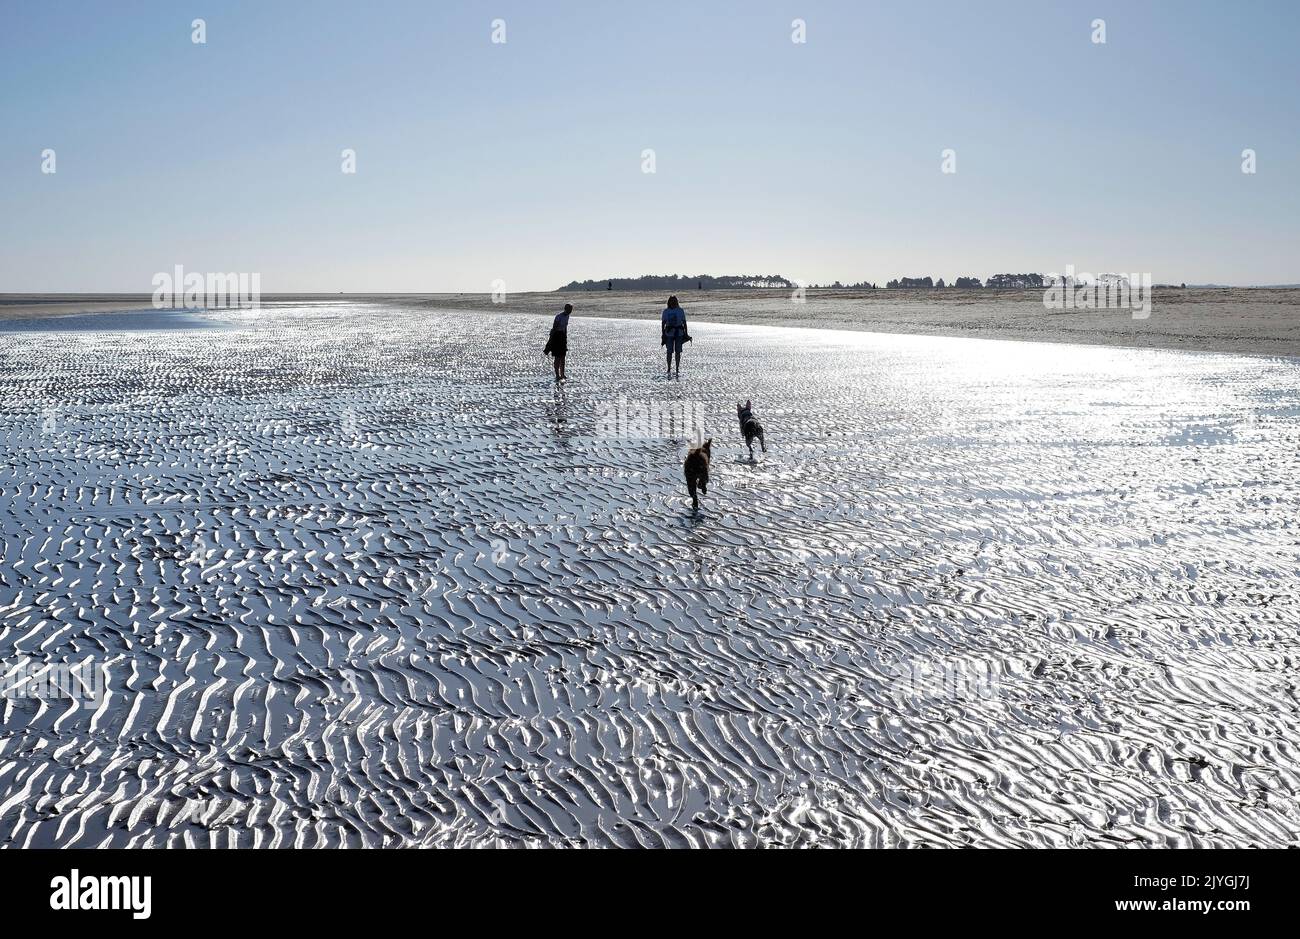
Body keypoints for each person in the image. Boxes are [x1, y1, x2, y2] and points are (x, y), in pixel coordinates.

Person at [661, 295, 689, 377]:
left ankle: (677, 368)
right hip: (669, 334)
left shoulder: (680, 310)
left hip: (679, 333)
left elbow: (684, 322)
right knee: (669, 352)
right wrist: (663, 334)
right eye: (671, 301)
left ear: (676, 302)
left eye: (674, 301)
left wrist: (686, 333)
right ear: (669, 302)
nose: (672, 302)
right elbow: (663, 323)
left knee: (678, 352)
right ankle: (669, 368)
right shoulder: (666, 311)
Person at [544, 303, 571, 381]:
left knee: (563, 357)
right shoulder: (558, 317)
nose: (570, 311)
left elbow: (565, 327)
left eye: (571, 310)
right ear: (565, 309)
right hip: (556, 336)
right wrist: (551, 340)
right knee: (557, 357)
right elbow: (554, 328)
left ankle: (562, 374)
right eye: (569, 310)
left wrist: (565, 337)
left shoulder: (567, 316)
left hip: (563, 336)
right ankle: (557, 375)